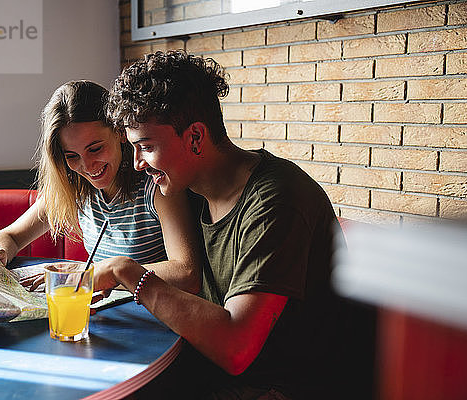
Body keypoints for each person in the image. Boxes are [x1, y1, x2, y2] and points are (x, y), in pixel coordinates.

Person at [94, 50, 353, 399]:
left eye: (147, 147)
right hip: (213, 372)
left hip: (280, 386)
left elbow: (235, 348)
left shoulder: (277, 200)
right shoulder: (190, 189)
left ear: (195, 137)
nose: (137, 164)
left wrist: (128, 272)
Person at [0, 80, 201, 294]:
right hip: (105, 318)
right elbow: (11, 237)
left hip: (154, 319)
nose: (87, 166)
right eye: (71, 156)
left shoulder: (156, 184)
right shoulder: (74, 186)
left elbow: (186, 273)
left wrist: (97, 273)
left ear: (119, 132)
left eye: (95, 149)